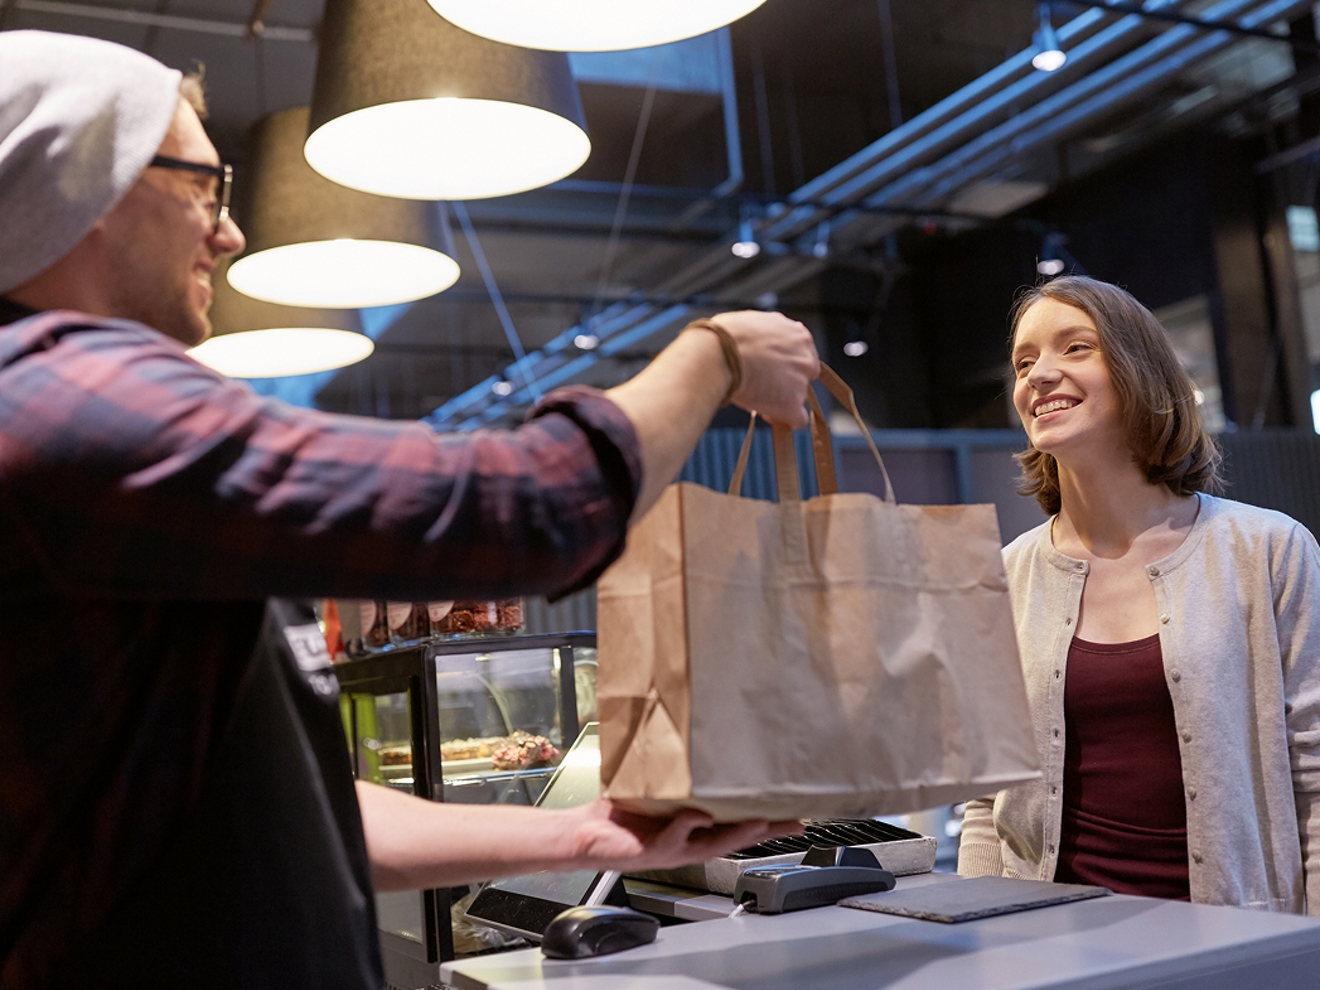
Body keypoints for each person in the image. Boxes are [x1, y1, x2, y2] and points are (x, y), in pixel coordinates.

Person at [0, 30, 817, 988]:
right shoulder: (59, 403)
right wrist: (711, 355)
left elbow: (304, 804)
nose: (229, 233)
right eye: (203, 187)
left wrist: (587, 832)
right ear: (83, 184)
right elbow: (519, 507)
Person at [958, 275, 1320, 916]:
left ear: (1138, 373)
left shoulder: (1268, 550)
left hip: (1235, 945)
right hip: (1052, 945)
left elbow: (1315, 778)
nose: (1039, 374)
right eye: (1024, 361)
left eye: (1075, 348)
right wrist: (983, 943)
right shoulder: (1005, 576)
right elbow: (988, 803)